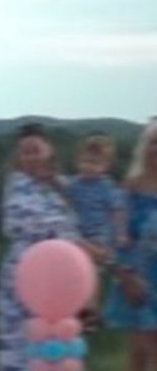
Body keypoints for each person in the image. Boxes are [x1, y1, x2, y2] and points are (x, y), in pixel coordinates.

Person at [0, 123, 80, 371]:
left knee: (59, 349)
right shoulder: (17, 185)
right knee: (28, 349)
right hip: (26, 276)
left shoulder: (64, 186)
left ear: (49, 150)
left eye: (36, 150)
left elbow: (82, 221)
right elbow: (19, 223)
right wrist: (66, 236)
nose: (31, 157)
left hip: (61, 278)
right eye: (25, 152)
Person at [104, 119, 157, 371]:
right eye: (153, 142)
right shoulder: (129, 189)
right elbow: (114, 240)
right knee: (140, 356)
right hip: (137, 281)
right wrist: (125, 276)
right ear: (144, 147)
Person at [66, 134, 128, 330]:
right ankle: (75, 304)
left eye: (95, 163)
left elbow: (117, 210)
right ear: (77, 161)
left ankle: (91, 309)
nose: (89, 167)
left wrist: (120, 233)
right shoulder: (73, 184)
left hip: (99, 235)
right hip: (78, 232)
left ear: (105, 166)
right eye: (86, 162)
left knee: (92, 269)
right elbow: (64, 201)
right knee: (75, 269)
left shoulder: (106, 186)